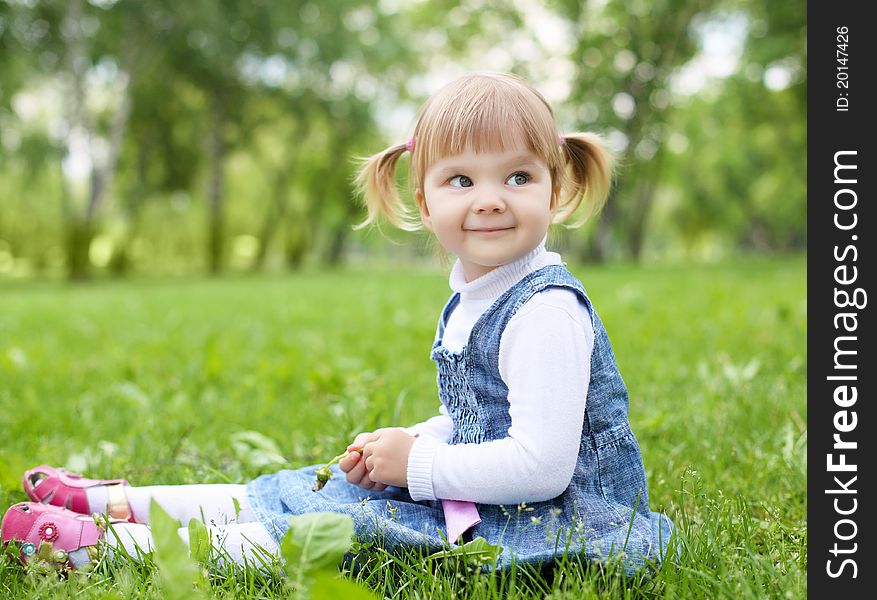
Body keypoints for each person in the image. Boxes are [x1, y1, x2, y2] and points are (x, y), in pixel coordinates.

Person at [1, 72, 673, 574]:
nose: (490, 200)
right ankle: (121, 503)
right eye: (461, 181)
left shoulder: (545, 311)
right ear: (425, 200)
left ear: (554, 191)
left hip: (556, 522)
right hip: (490, 497)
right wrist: (410, 441)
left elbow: (541, 467)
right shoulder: (479, 292)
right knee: (301, 486)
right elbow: (478, 418)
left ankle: (114, 547)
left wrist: (419, 465)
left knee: (340, 534)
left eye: (518, 177)